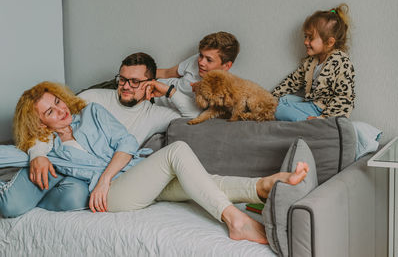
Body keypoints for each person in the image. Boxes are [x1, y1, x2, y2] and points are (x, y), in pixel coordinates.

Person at [0, 81, 310, 245]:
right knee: (177, 152)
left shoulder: (92, 113)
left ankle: (262, 186)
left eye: (57, 102)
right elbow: (8, 154)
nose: (60, 110)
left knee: (196, 182)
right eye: (49, 112)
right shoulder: (47, 148)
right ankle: (235, 221)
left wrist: (107, 176)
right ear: (37, 122)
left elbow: (126, 143)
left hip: (128, 177)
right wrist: (36, 151)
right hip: (112, 197)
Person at [24, 52, 198, 214]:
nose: (126, 87)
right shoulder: (93, 98)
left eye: (135, 81)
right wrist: (37, 154)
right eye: (122, 80)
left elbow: (194, 116)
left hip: (129, 176)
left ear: (150, 83)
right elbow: (50, 122)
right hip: (91, 178)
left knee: (208, 183)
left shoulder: (155, 114)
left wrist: (168, 91)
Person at [271, 4, 355, 122]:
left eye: (310, 38)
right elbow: (292, 81)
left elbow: (344, 97)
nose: (305, 42)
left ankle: (316, 124)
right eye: (306, 37)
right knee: (281, 100)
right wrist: (270, 98)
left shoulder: (340, 61)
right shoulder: (311, 62)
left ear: (329, 42)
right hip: (312, 104)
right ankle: (307, 122)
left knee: (276, 109)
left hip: (323, 111)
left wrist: (324, 118)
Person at [152, 31, 240, 116]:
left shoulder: (224, 92)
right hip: (150, 88)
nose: (201, 62)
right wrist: (141, 75)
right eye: (201, 55)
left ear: (226, 66)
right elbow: (166, 73)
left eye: (209, 60)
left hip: (159, 109)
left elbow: (194, 113)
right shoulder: (197, 60)